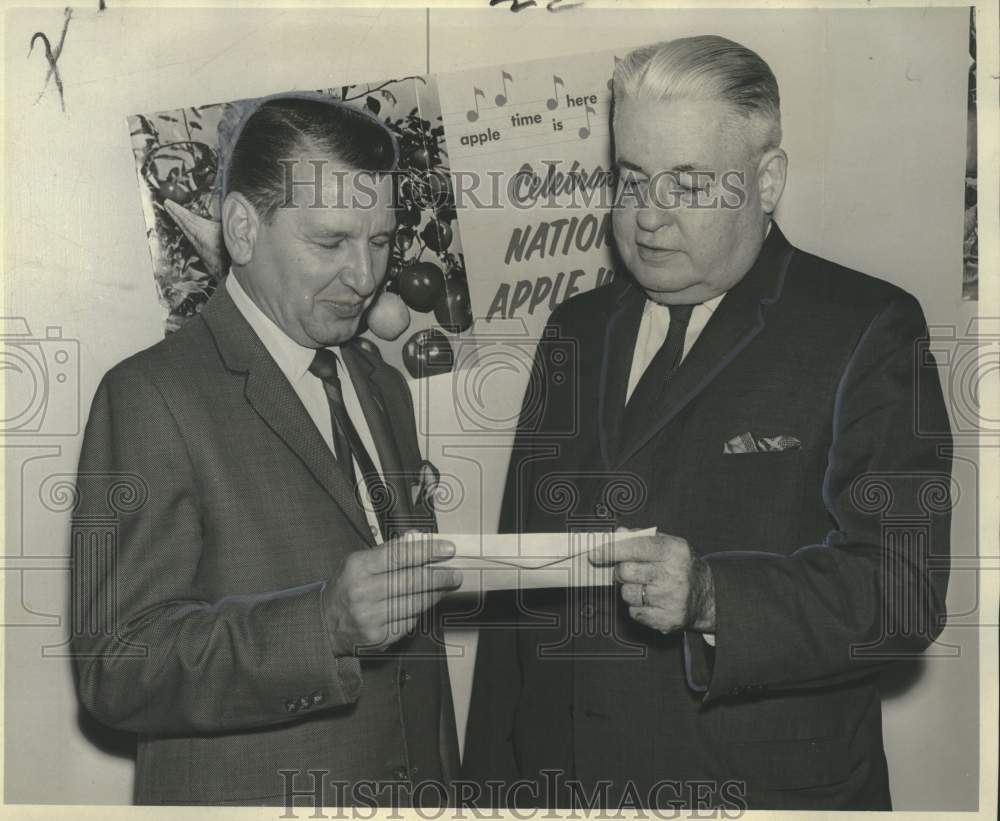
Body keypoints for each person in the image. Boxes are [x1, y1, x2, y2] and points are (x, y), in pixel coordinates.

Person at [462, 36, 952, 811]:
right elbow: (521, 599)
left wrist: (715, 596)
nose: (647, 218)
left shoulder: (869, 326)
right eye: (631, 180)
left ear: (766, 182)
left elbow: (905, 592)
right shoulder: (575, 330)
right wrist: (487, 791)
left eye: (686, 184)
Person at [70, 96, 463, 806]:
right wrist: (323, 627)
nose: (364, 274)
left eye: (381, 240)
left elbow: (415, 658)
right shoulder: (150, 396)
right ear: (244, 229)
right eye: (331, 240)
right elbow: (116, 665)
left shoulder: (384, 387)